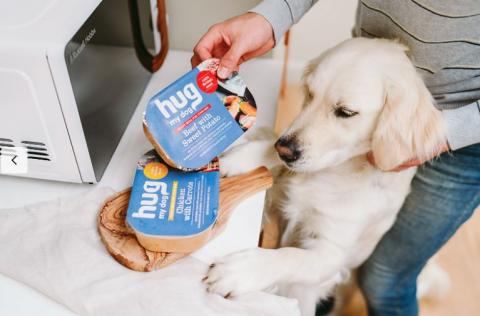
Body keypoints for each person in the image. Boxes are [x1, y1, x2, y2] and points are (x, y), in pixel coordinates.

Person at [191, 1, 480, 315]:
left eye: (343, 112)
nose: (290, 141)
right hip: (377, 71)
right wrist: (270, 17)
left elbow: (328, 257)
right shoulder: (354, 82)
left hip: (461, 140)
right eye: (312, 94)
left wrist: (267, 266)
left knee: (384, 280)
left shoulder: (392, 127)